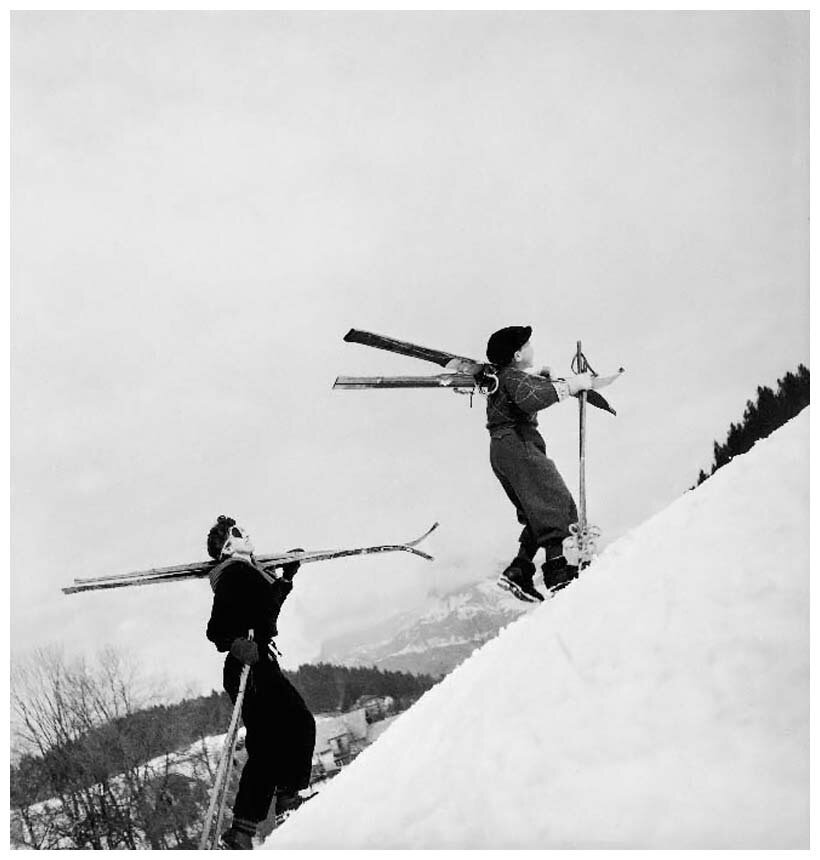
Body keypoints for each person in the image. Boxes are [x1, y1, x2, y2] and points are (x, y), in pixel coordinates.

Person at [485, 326, 621, 603]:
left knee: (537, 512)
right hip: (518, 446)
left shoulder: (504, 378)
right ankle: (559, 575)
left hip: (502, 449)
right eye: (528, 344)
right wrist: (571, 385)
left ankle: (519, 571)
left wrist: (540, 380)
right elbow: (532, 397)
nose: (532, 347)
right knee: (555, 503)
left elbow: (524, 394)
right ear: (518, 353)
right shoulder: (512, 378)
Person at [205, 515, 316, 850]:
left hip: (256, 663)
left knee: (267, 747)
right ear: (228, 543)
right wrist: (238, 644)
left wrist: (285, 579)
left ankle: (243, 830)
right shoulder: (233, 574)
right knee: (298, 723)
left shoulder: (244, 573)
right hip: (249, 668)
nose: (245, 535)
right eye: (238, 533)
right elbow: (216, 629)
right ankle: (286, 798)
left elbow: (266, 613)